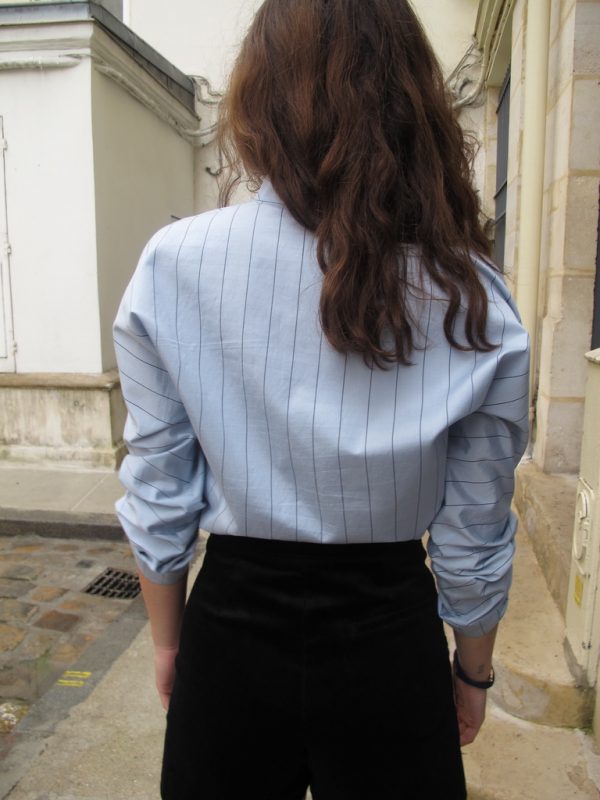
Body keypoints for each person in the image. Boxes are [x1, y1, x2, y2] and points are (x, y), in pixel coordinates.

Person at [113, 1, 530, 798]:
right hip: (389, 639)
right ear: (412, 102)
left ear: (259, 99)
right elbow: (476, 523)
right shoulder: (470, 292)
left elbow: (159, 486)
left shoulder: (174, 266)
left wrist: (169, 641)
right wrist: (472, 670)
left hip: (231, 630)